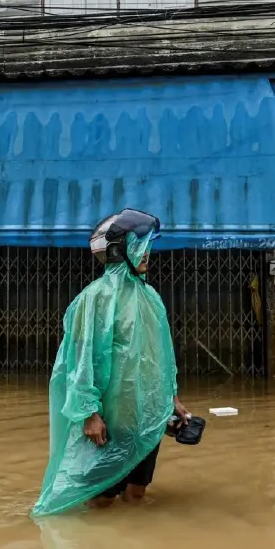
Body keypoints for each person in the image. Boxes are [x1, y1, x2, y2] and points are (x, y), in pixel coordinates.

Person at [32, 209, 191, 516]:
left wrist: (171, 397)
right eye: (141, 246)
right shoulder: (95, 299)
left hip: (146, 415)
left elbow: (162, 355)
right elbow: (80, 362)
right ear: (121, 251)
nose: (147, 254)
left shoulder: (151, 298)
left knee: (137, 491)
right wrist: (89, 413)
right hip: (110, 418)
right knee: (101, 499)